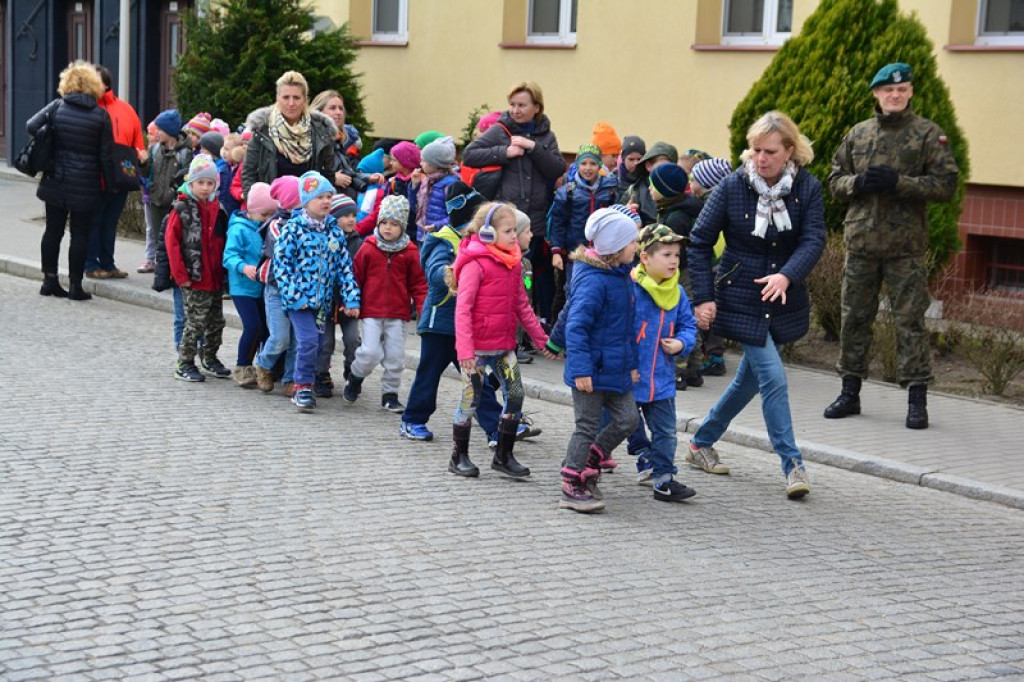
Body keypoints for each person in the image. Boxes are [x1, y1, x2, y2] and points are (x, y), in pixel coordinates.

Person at [686, 111, 825, 500]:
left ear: (789, 152)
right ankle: (792, 464)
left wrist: (788, 275)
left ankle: (700, 443)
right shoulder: (732, 187)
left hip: (783, 299)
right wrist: (704, 297)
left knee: (749, 381)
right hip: (740, 297)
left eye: (769, 151)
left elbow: (813, 239)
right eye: (755, 150)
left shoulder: (807, 189)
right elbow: (698, 242)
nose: (760, 158)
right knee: (774, 379)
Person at [824, 62, 959, 430]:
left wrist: (901, 182)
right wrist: (858, 183)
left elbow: (946, 185)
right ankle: (849, 393)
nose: (895, 95)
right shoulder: (859, 133)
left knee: (910, 321)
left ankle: (917, 400)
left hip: (905, 246)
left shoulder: (928, 134)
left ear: (911, 92)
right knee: (854, 318)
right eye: (888, 90)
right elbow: (834, 180)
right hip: (862, 242)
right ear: (876, 94)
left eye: (902, 89)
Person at [399, 181, 511, 445]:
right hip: (440, 323)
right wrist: (458, 275)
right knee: (429, 374)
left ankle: (495, 428)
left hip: (468, 326)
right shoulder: (442, 240)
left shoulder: (481, 242)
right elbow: (435, 272)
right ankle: (413, 419)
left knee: (476, 379)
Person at [449, 203, 551, 479]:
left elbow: (523, 306)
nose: (514, 237)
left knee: (516, 395)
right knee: (471, 400)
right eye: (508, 231)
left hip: (504, 345)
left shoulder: (513, 263)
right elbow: (463, 310)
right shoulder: (475, 263)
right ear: (487, 233)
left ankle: (504, 455)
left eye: (514, 232)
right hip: (476, 349)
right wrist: (465, 351)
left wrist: (543, 341)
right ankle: (459, 456)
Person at [556, 208, 641, 513]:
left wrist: (632, 366)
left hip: (617, 369)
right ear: (614, 247)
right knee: (586, 426)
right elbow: (575, 325)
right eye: (632, 242)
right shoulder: (594, 281)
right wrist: (580, 369)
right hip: (591, 371)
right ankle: (572, 483)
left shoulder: (620, 276)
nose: (637, 247)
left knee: (629, 419)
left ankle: (592, 457)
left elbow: (627, 329)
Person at [462, 81, 566, 321]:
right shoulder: (500, 130)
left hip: (535, 222)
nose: (516, 110)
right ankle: (508, 327)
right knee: (506, 275)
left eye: (522, 105)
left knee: (529, 274)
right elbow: (470, 155)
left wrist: (533, 147)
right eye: (512, 104)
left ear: (537, 107)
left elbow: (557, 168)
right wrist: (504, 152)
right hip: (506, 221)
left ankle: (532, 326)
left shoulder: (547, 136)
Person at [273, 171, 360, 411]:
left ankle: (308, 380)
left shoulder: (334, 232)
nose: (325, 201)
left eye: (329, 196)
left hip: (322, 303)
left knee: (320, 344)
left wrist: (351, 299)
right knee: (308, 341)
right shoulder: (292, 230)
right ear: (306, 201)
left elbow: (345, 269)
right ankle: (301, 387)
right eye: (319, 196)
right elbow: (281, 267)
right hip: (299, 302)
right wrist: (295, 297)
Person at [29, 61, 115, 301]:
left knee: (52, 231)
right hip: (86, 183)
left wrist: (51, 140)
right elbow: (106, 156)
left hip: (56, 178)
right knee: (80, 233)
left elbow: (31, 126)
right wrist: (110, 184)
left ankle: (49, 280)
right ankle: (76, 286)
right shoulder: (101, 116)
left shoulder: (57, 107)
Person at [630, 225, 699, 502]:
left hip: (661, 379)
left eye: (677, 255)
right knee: (621, 425)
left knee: (666, 433)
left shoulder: (678, 292)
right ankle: (590, 467)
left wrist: (682, 343)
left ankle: (663, 480)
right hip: (630, 377)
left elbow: (688, 326)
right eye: (667, 254)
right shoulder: (631, 288)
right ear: (645, 258)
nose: (674, 261)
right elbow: (616, 330)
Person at [343, 195, 428, 412]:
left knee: (395, 357)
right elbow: (355, 277)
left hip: (398, 314)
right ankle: (356, 376)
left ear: (402, 227)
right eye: (384, 223)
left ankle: (390, 394)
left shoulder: (410, 252)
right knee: (370, 351)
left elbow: (419, 285)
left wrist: (423, 312)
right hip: (370, 311)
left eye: (394, 224)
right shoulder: (368, 248)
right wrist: (350, 301)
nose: (388, 228)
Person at [166, 155, 231, 382]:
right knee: (195, 322)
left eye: (210, 183)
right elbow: (172, 244)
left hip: (214, 276)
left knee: (216, 322)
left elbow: (223, 240)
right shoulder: (182, 208)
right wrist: (180, 275)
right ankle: (184, 362)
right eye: (200, 182)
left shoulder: (217, 207)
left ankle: (210, 356)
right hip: (194, 277)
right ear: (191, 183)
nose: (205, 187)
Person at [85, 64, 146, 281]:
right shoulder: (87, 109)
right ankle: (91, 264)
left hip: (120, 176)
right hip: (95, 176)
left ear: (106, 83)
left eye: (96, 81)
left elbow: (137, 141)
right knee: (95, 221)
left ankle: (108, 263)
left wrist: (141, 154)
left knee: (110, 222)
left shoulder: (126, 109)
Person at [548, 142, 618, 323]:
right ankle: (569, 331)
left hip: (603, 253)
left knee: (602, 291)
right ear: (577, 164)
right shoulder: (567, 193)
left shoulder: (610, 190)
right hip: (575, 253)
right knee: (572, 291)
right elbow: (559, 223)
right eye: (584, 163)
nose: (588, 168)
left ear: (599, 165)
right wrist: (556, 251)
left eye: (593, 163)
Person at [242, 71, 337, 199]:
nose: (291, 103)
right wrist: (257, 206)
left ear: (305, 100)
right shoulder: (262, 130)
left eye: (296, 98)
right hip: (271, 208)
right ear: (277, 99)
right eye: (286, 97)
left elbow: (328, 176)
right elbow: (249, 175)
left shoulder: (321, 132)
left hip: (309, 209)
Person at [223, 182, 277, 387]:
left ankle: (264, 366)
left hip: (262, 286)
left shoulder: (269, 227)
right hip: (242, 287)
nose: (269, 219)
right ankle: (242, 366)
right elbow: (228, 256)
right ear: (252, 211)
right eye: (264, 215)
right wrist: (243, 267)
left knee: (265, 328)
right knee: (252, 326)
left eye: (272, 214)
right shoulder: (239, 228)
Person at [253, 176, 302, 395]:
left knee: (296, 339)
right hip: (277, 288)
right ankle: (263, 364)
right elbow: (285, 253)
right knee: (280, 337)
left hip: (301, 289)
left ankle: (290, 379)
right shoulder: (276, 226)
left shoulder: (308, 223)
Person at [689, 157, 735, 378]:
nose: (691, 183)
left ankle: (715, 357)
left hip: (715, 264)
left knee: (709, 313)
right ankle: (713, 354)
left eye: (694, 179)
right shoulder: (722, 200)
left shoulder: (711, 205)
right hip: (718, 263)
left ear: (706, 182)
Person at [140, 110, 192, 276]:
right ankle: (162, 272)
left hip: (174, 203)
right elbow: (148, 173)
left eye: (160, 130)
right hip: (156, 201)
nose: (156, 133)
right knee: (158, 239)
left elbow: (186, 178)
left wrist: (174, 193)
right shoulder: (155, 149)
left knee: (174, 239)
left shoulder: (185, 152)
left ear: (169, 132)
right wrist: (143, 163)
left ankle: (174, 272)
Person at [310, 89, 376, 201]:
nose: (338, 112)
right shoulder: (311, 137)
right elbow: (307, 174)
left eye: (341, 108)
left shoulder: (338, 140)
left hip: (344, 202)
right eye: (332, 108)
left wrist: (368, 178)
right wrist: (332, 178)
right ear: (319, 112)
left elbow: (348, 172)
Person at [410, 135, 459, 243]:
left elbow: (457, 215)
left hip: (441, 238)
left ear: (434, 164)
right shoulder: (427, 181)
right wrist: (414, 186)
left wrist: (437, 225)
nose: (420, 163)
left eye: (423, 160)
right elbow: (414, 207)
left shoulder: (450, 184)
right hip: (423, 236)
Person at [622, 141, 678, 227]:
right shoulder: (635, 191)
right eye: (662, 167)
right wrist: (626, 213)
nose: (666, 171)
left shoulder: (679, 190)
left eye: (671, 167)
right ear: (648, 166)